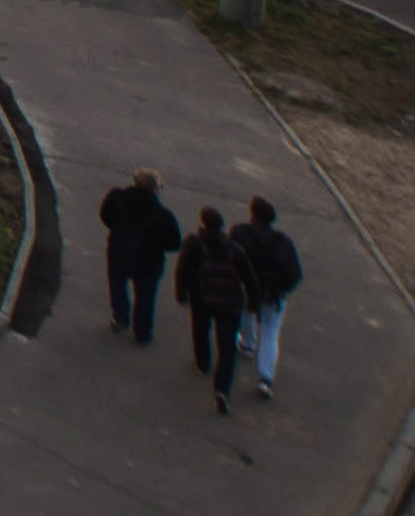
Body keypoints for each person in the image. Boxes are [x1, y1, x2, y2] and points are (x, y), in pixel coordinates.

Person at [180, 203, 251, 412]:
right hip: (229, 302)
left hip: (201, 295)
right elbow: (247, 277)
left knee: (201, 329)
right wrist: (253, 300)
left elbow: (182, 269)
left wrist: (181, 292)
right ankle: (221, 390)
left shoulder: (193, 243)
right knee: (227, 348)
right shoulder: (233, 248)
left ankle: (203, 363)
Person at [100, 168, 181, 346]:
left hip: (119, 251)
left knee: (117, 284)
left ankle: (120, 317)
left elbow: (105, 216)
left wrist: (119, 231)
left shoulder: (116, 197)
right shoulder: (163, 215)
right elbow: (175, 243)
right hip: (149, 262)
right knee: (146, 297)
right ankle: (142, 332)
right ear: (154, 189)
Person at [242, 197, 304, 402]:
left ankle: (247, 344)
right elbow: (295, 274)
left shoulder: (240, 233)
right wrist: (279, 291)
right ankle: (264, 379)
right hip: (273, 296)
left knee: (246, 314)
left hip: (245, 289)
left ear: (253, 214)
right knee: (270, 334)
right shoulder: (283, 242)